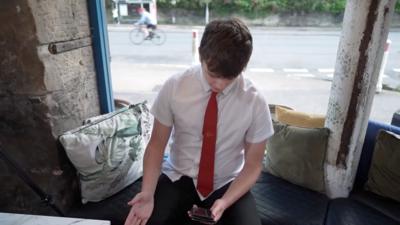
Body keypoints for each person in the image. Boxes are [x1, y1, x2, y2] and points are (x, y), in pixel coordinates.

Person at [124, 18, 274, 225]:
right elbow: (157, 146)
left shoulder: (254, 101)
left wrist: (225, 201)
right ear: (201, 55)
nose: (219, 84)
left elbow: (253, 165)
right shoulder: (175, 86)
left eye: (229, 77)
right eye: (213, 74)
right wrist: (147, 193)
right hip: (178, 177)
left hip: (227, 182)